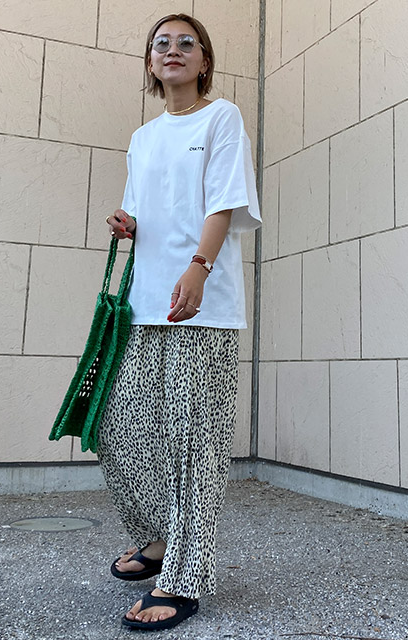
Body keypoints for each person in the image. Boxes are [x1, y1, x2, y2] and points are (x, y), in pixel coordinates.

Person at [98, 13, 261, 632]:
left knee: (195, 444)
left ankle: (185, 578)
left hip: (204, 305)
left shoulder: (222, 118)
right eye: (161, 43)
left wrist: (199, 267)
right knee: (118, 429)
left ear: (204, 61)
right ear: (150, 62)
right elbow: (143, 210)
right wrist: (128, 225)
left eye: (186, 43)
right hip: (146, 303)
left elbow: (224, 202)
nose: (173, 50)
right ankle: (159, 536)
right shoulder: (143, 137)